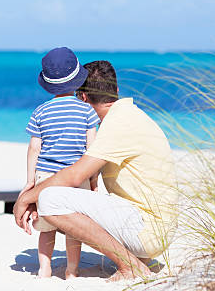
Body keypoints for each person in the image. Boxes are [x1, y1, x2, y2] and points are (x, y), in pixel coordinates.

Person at [14, 60, 178, 282]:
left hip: (145, 230)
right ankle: (137, 259)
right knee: (56, 198)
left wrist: (26, 198)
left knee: (50, 200)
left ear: (82, 98)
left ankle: (131, 266)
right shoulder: (129, 115)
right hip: (155, 228)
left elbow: (74, 175)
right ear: (116, 90)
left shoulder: (117, 124)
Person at [23, 47, 100, 279]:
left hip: (46, 178)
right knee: (73, 229)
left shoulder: (40, 111)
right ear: (78, 81)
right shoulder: (86, 111)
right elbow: (92, 149)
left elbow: (34, 148)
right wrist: (94, 181)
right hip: (77, 175)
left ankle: (44, 269)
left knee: (46, 228)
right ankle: (71, 271)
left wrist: (30, 182)